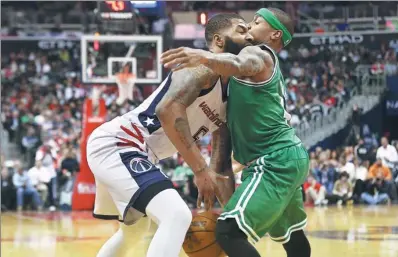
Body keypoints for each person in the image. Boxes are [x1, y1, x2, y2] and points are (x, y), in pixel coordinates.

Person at [86, 13, 253, 257]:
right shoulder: (200, 65)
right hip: (121, 143)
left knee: (132, 232)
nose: (249, 35)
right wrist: (198, 168)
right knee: (176, 215)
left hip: (142, 153)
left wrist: (231, 221)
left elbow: (219, 166)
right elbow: (167, 110)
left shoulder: (230, 95)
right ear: (218, 40)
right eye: (241, 30)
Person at [161, 7, 311, 257]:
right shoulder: (261, 66)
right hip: (288, 157)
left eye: (257, 22)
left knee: (228, 232)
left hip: (274, 160)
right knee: (292, 236)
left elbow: (241, 63)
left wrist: (203, 56)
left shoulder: (259, 53)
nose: (250, 25)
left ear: (274, 35)